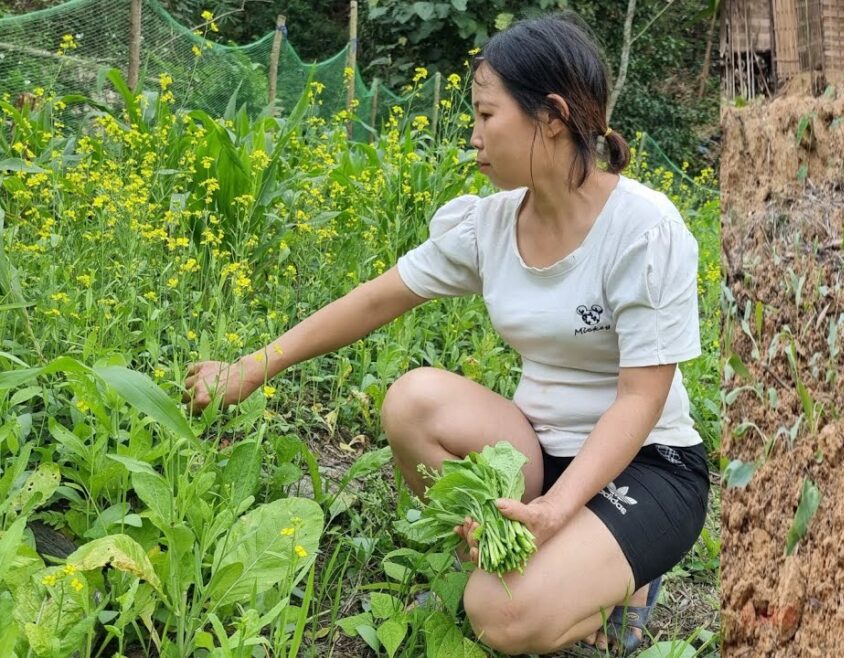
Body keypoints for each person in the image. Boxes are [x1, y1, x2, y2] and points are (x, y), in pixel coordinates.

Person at [183, 13, 710, 655]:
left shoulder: (642, 230)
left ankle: (617, 595)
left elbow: (641, 398)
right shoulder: (487, 226)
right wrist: (249, 368)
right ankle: (517, 562)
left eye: (487, 116)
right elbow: (375, 300)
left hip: (648, 466)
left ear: (550, 116)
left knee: (500, 615)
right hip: (539, 454)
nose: (474, 136)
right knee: (413, 401)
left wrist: (555, 511)